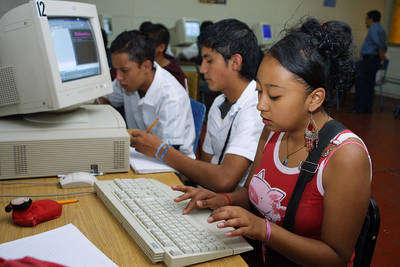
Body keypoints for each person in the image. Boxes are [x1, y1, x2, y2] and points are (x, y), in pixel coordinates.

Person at [172, 18, 371, 266]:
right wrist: (225, 199)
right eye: (259, 92)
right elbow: (254, 194)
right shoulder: (272, 131)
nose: (261, 105)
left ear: (315, 98)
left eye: (274, 96)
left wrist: (264, 230)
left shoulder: (345, 156)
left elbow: (336, 257)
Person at [130, 19, 264, 192]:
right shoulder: (218, 102)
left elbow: (225, 180)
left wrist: (161, 151)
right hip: (208, 192)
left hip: (232, 205)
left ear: (235, 62)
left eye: (209, 61)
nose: (202, 69)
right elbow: (206, 165)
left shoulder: (255, 108)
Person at [97, 30, 196, 157]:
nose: (118, 77)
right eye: (116, 70)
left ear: (146, 66)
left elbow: (171, 154)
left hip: (170, 165)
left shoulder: (171, 97)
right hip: (139, 156)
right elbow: (105, 99)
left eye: (124, 71)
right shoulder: (127, 82)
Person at [352, 10, 387, 114]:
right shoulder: (382, 29)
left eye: (367, 18)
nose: (365, 21)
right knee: (369, 86)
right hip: (375, 60)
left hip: (369, 60)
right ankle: (367, 109)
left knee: (361, 84)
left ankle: (358, 109)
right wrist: (381, 55)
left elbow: (378, 43)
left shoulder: (373, 28)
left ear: (371, 19)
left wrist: (381, 53)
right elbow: (384, 45)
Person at [142, 23, 187, 88]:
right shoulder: (146, 64)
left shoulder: (173, 73)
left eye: (149, 44)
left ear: (161, 47)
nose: (144, 47)